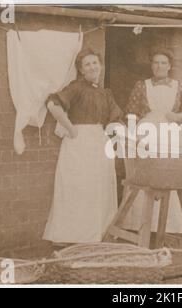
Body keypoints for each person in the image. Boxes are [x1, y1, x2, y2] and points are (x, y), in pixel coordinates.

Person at [43, 48, 124, 244]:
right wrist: (71, 129)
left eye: (95, 63)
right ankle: (75, 237)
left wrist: (121, 135)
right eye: (87, 64)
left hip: (99, 143)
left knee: (99, 188)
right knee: (79, 188)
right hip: (79, 145)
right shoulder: (76, 87)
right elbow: (52, 104)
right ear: (81, 69)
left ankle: (97, 235)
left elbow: (115, 119)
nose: (92, 67)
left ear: (101, 66)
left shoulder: (105, 93)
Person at [121, 48, 182, 234]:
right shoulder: (141, 86)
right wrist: (134, 139)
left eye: (163, 62)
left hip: (169, 136)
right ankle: (139, 225)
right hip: (146, 135)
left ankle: (170, 226)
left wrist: (177, 117)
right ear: (151, 66)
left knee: (168, 175)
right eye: (156, 62)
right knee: (146, 177)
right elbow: (130, 114)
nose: (159, 66)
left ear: (170, 66)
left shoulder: (179, 86)